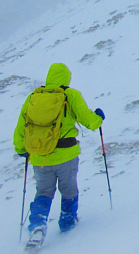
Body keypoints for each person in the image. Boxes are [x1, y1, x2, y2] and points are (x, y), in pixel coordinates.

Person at [14, 62, 105, 240]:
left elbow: (20, 127)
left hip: (40, 157)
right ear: (66, 78)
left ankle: (37, 226)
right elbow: (89, 121)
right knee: (69, 189)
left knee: (43, 192)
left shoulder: (33, 97)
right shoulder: (70, 94)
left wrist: (21, 149)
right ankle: (67, 223)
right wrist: (99, 117)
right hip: (66, 155)